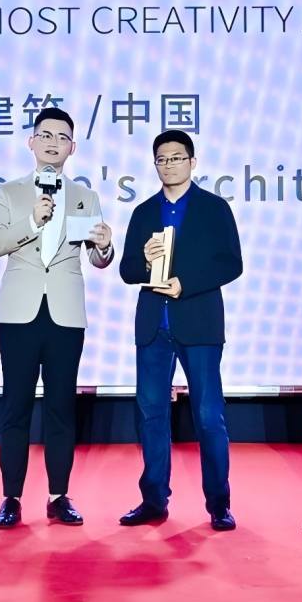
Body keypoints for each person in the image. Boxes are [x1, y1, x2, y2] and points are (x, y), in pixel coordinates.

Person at [0, 107, 116, 528]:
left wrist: (105, 246)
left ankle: (59, 495)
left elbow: (97, 259)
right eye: (46, 135)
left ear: (72, 147)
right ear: (32, 142)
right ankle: (11, 497)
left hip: (65, 315)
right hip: (19, 314)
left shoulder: (85, 197)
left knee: (61, 407)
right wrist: (31, 220)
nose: (53, 143)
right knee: (16, 406)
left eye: (62, 137)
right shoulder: (9, 193)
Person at [118, 131, 242, 530]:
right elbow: (127, 271)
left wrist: (184, 283)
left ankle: (219, 504)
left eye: (176, 157)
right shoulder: (143, 212)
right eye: (162, 159)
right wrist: (143, 259)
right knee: (151, 415)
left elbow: (231, 263)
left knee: (208, 416)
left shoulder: (214, 208)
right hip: (154, 326)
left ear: (192, 161)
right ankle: (153, 500)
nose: (169, 165)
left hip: (199, 323)